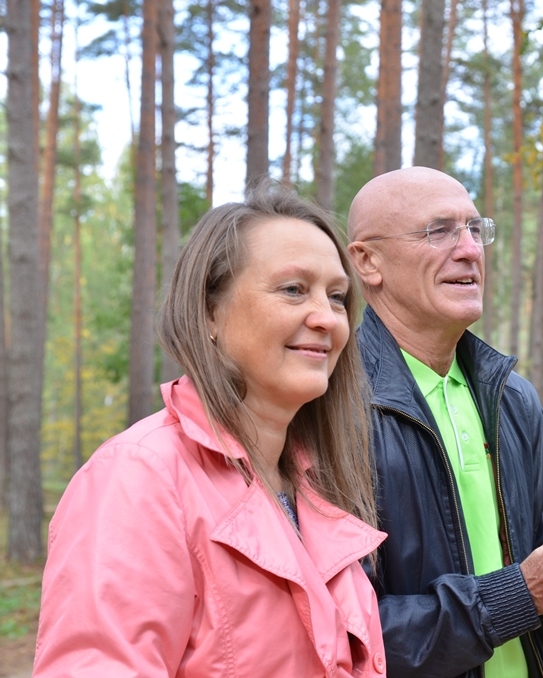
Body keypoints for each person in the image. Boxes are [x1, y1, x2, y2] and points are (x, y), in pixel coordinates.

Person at [34, 184, 389, 677]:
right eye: (293, 289)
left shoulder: (314, 488)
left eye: (336, 296)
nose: (326, 318)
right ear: (208, 313)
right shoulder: (140, 478)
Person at [346, 166, 543, 678]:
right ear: (368, 261)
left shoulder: (510, 396)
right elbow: (348, 632)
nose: (469, 249)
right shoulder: (332, 405)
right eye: (438, 230)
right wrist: (520, 594)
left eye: (474, 229)